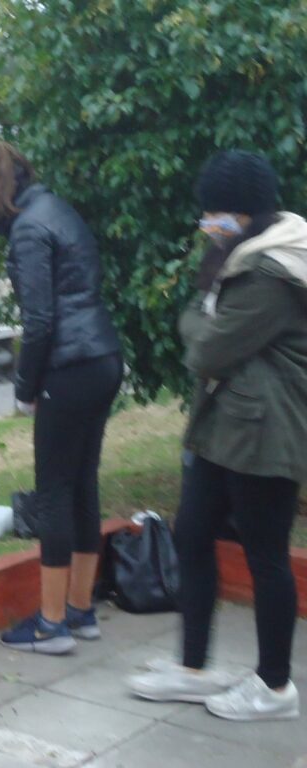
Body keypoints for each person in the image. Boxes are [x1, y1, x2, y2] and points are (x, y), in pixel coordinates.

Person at [127, 151, 306, 721]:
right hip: (223, 424)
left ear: (247, 215)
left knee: (265, 556)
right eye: (208, 213)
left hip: (265, 433)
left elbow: (206, 347)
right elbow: (212, 338)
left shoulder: (272, 272)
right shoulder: (239, 257)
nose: (209, 224)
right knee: (193, 535)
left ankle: (275, 688)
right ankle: (193, 666)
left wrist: (194, 322)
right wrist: (203, 323)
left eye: (219, 214)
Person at [0, 141, 123, 654]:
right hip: (102, 359)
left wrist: (25, 388)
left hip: (68, 366)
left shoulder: (30, 230)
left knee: (54, 491)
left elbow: (39, 321)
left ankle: (51, 623)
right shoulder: (58, 209)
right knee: (81, 486)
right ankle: (80, 610)